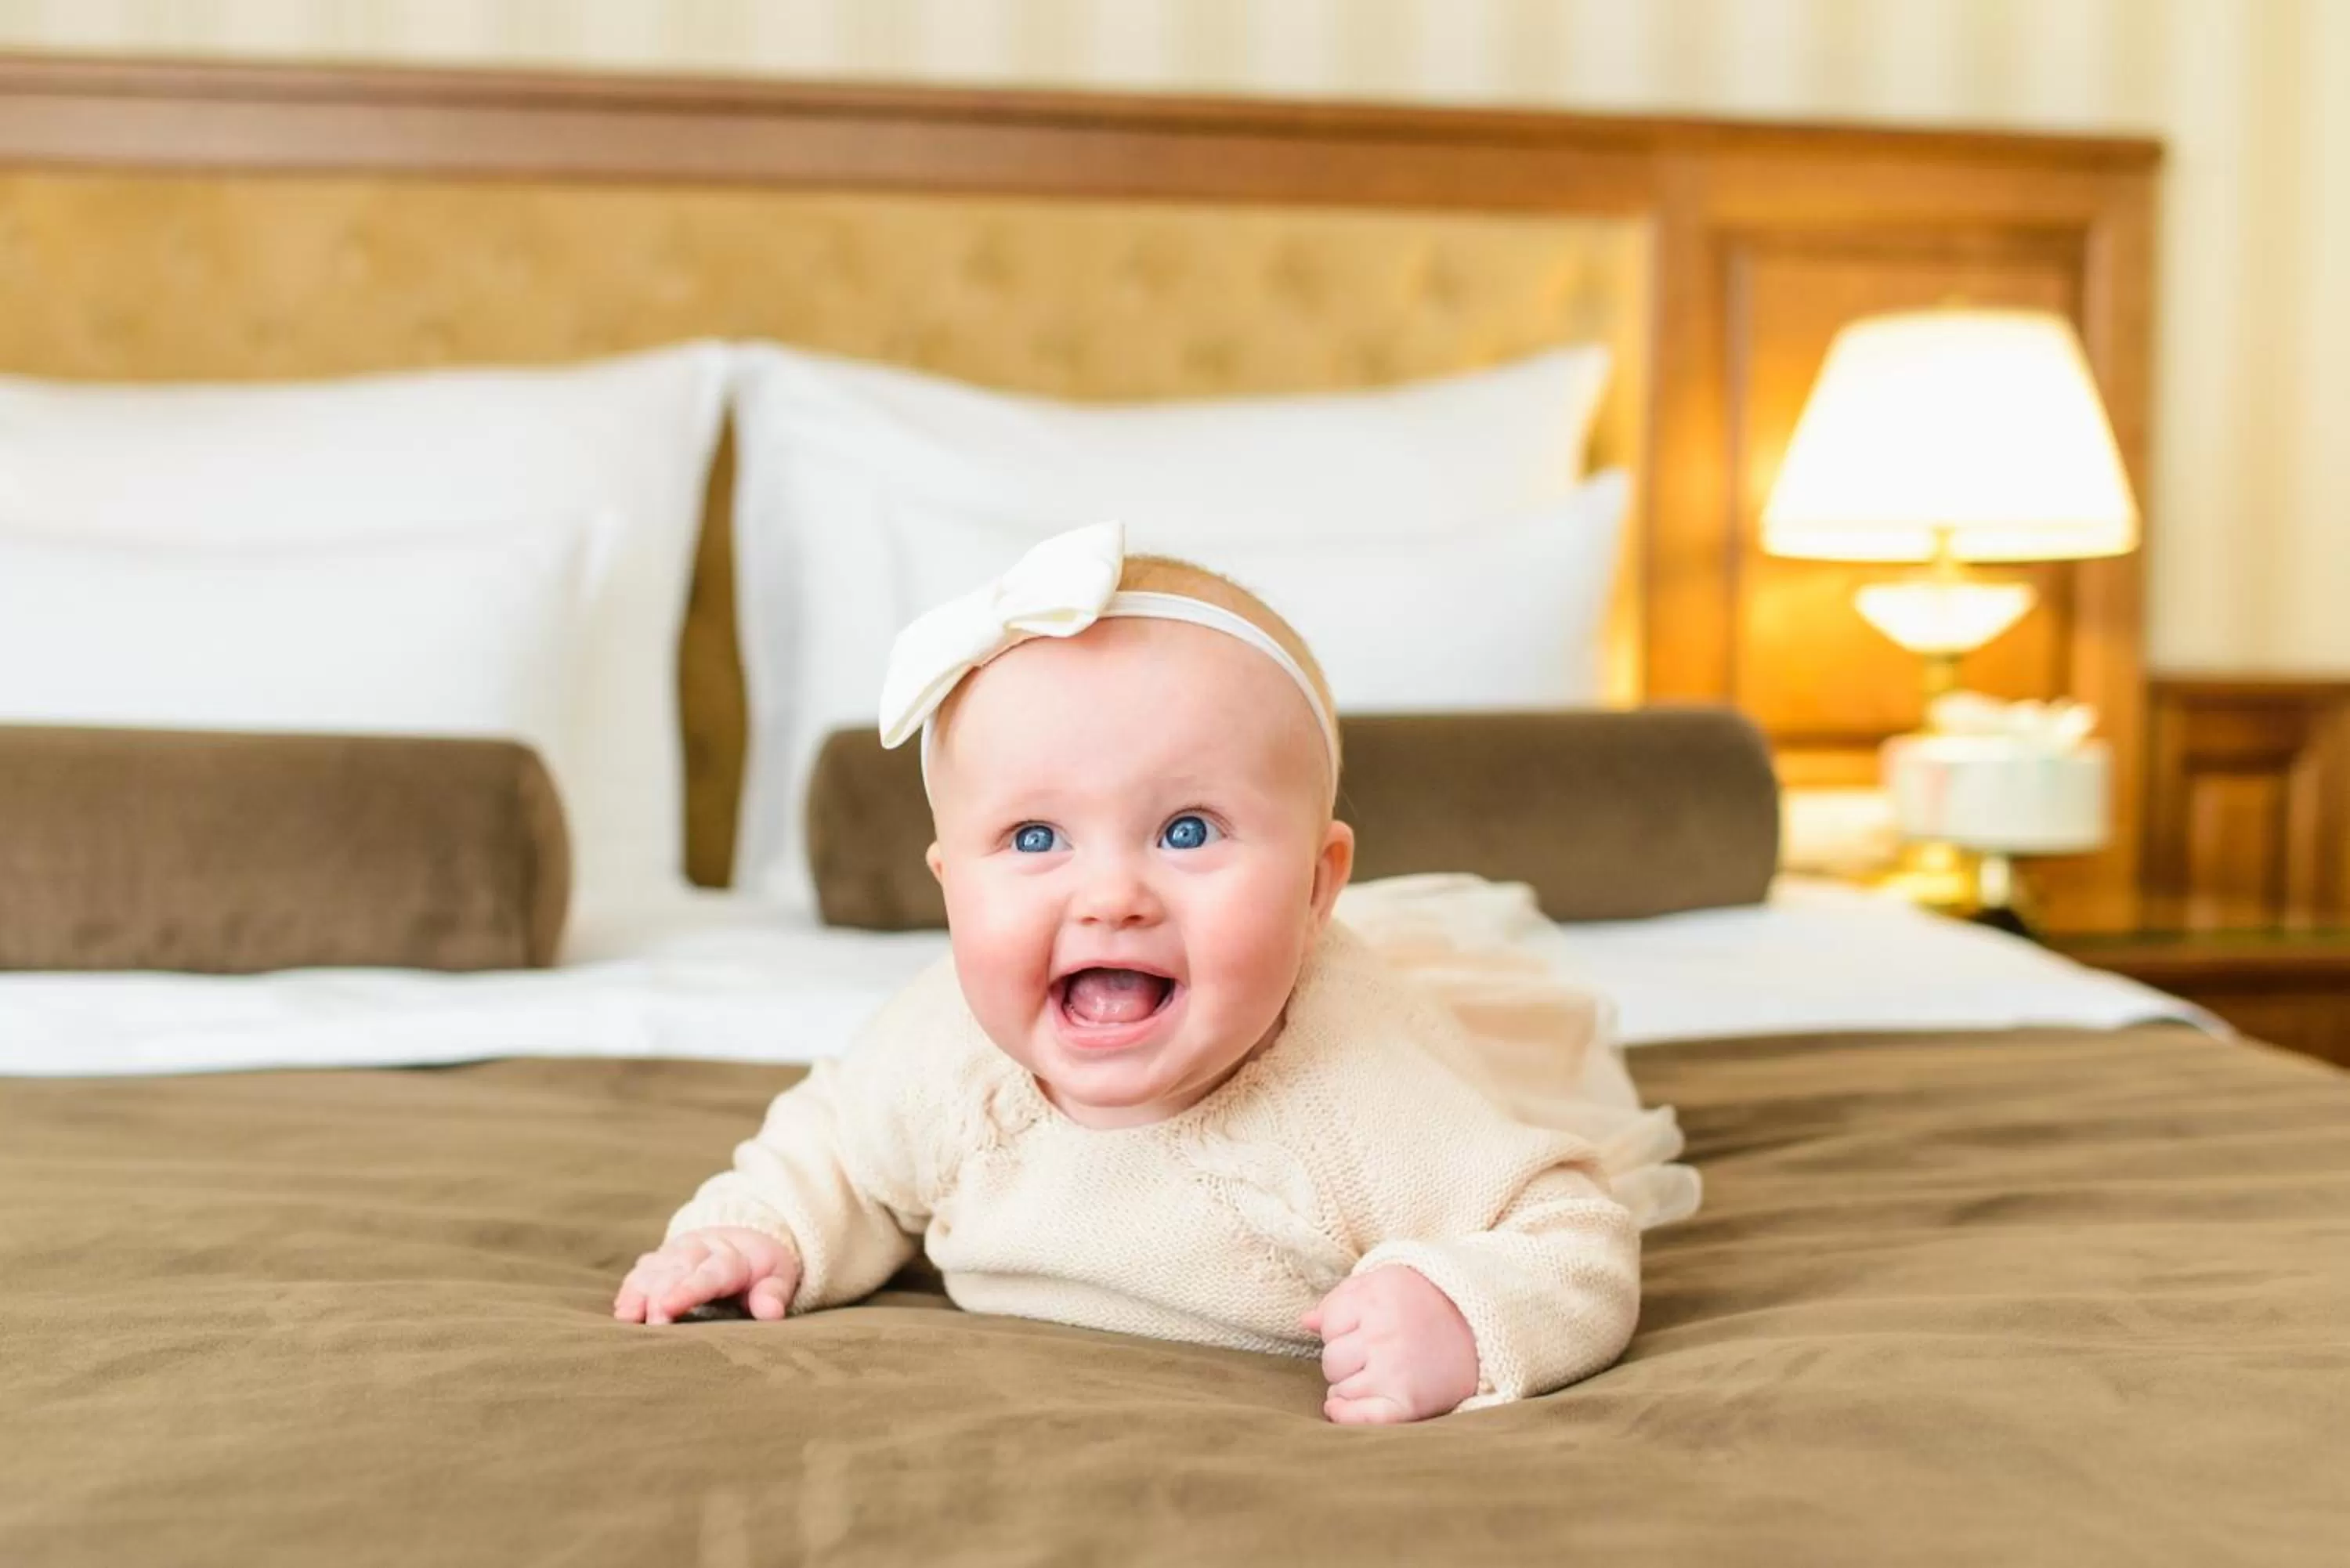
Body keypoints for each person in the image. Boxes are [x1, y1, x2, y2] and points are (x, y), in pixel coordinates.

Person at [615, 522, 1677, 1423]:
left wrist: (1461, 1313)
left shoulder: (1363, 1097)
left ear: (1316, 885)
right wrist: (756, 1232)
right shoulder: (943, 1048)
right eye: (1035, 838)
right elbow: (838, 1151)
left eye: (1184, 828)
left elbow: (1575, 1242)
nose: (1110, 895)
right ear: (948, 886)